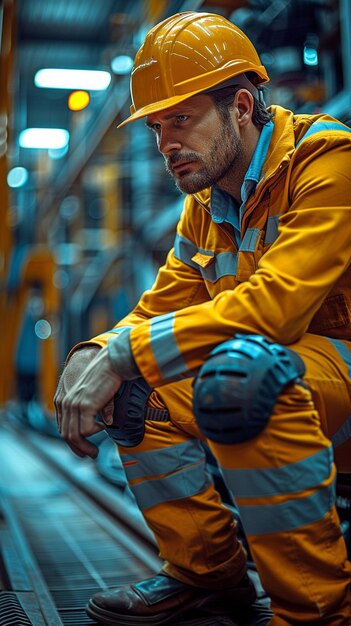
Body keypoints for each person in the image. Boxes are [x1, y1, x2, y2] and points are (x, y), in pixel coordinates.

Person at [54, 11, 351, 626]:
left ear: (241, 105)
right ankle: (207, 575)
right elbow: (156, 311)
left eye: (181, 119)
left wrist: (121, 351)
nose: (165, 142)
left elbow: (276, 306)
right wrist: (96, 351)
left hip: (327, 377)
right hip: (293, 375)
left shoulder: (327, 161)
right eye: (157, 126)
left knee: (240, 378)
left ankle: (315, 612)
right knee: (136, 385)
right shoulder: (204, 210)